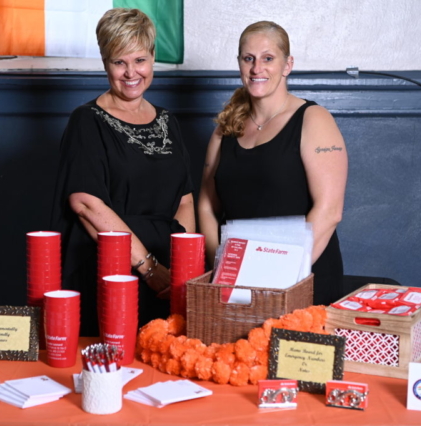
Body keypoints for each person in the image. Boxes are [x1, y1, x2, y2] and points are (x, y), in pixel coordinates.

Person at [50, 8, 195, 336]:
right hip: (113, 272)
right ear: (105, 63)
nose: (131, 73)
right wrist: (149, 268)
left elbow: (185, 199)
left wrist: (180, 268)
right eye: (119, 62)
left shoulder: (168, 120)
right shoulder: (86, 120)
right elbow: (86, 205)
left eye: (140, 60)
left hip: (169, 275)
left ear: (153, 58)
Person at [198, 21, 348, 306]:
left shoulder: (314, 119)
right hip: (239, 285)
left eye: (268, 58)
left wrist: (280, 278)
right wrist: (223, 268)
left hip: (302, 281)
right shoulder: (225, 128)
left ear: (287, 65)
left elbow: (330, 212)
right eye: (248, 58)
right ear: (239, 63)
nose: (257, 68)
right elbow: (206, 206)